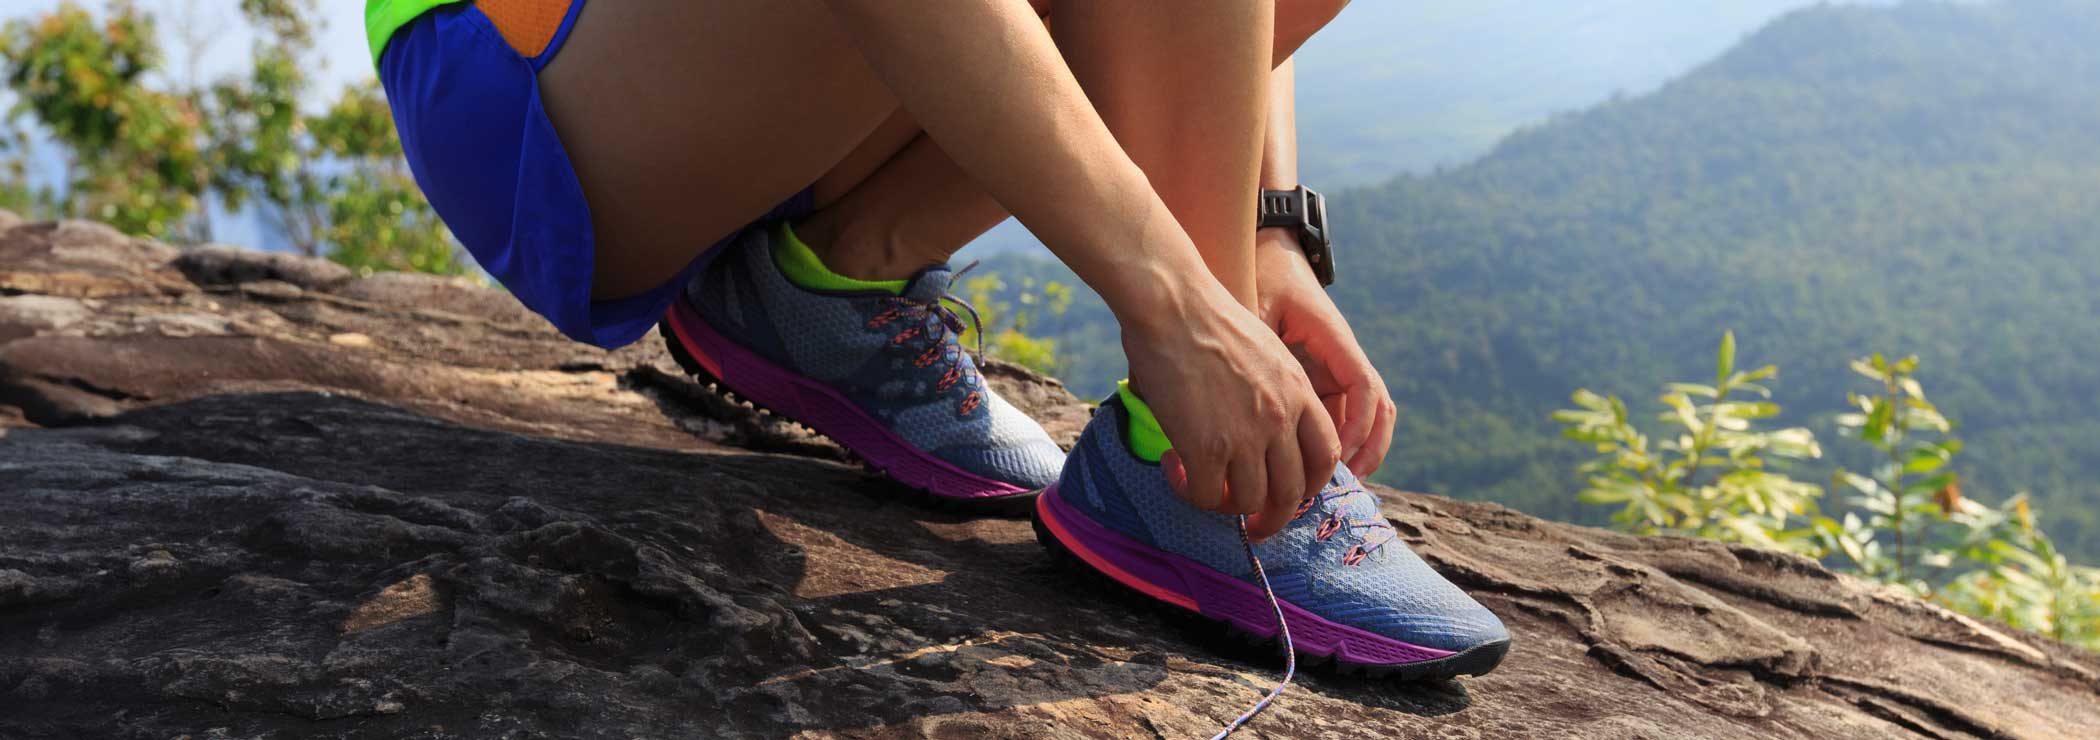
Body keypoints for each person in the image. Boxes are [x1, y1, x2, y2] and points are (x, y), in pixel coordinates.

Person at [368, 0, 1508, 679]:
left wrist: (1262, 233)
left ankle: (828, 278)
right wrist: (1177, 307)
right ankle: (1191, 477)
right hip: (537, 73)